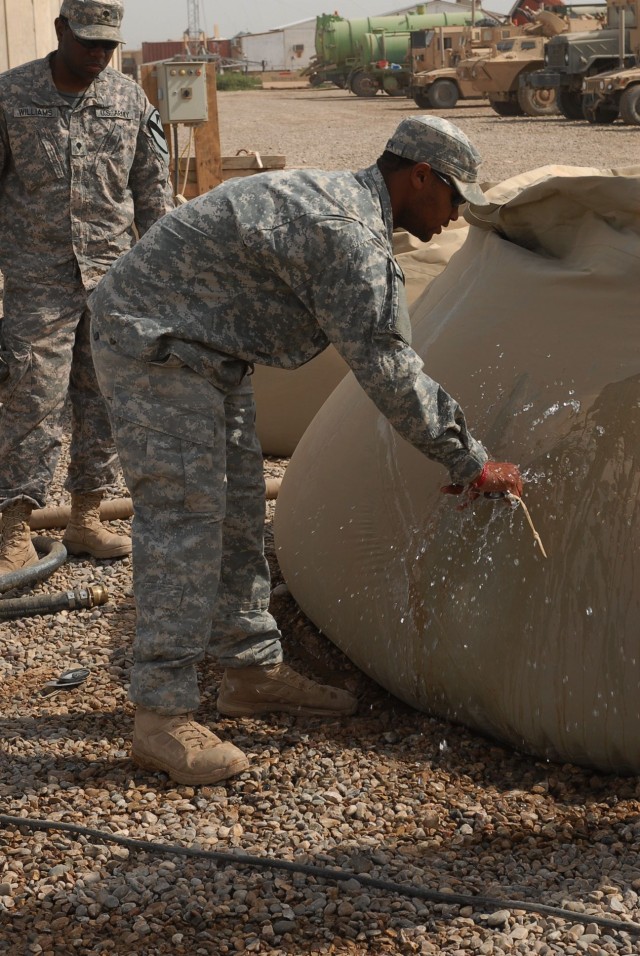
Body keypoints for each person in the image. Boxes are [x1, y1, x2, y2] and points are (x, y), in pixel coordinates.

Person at [88, 114, 524, 787]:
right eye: (454, 197)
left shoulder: (346, 205)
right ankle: (160, 718)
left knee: (236, 511)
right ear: (419, 176)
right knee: (185, 523)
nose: (456, 215)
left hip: (207, 346)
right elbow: (388, 368)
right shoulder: (350, 237)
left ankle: (249, 671)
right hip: (155, 343)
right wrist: (471, 459)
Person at [0, 0, 173, 574]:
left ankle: (86, 517)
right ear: (60, 30)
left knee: (102, 402)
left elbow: (153, 193)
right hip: (36, 283)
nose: (98, 55)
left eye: (108, 45)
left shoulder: (129, 100)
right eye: (88, 42)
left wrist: (161, 283)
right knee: (31, 402)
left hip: (113, 282)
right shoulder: (10, 96)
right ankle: (14, 530)